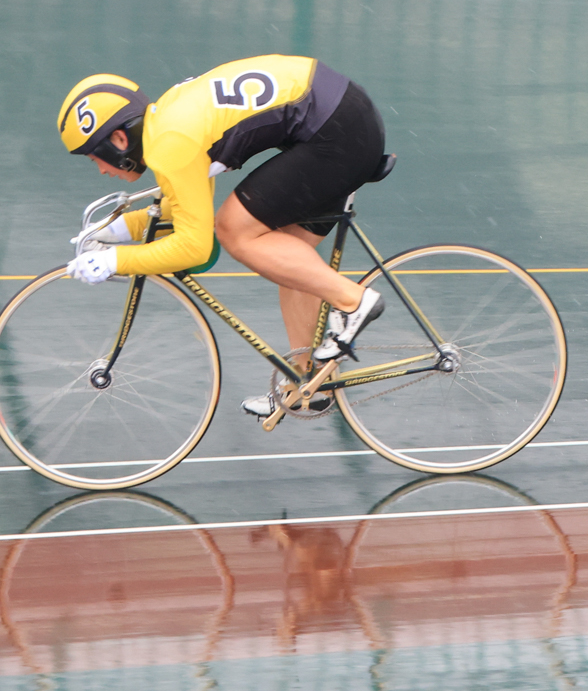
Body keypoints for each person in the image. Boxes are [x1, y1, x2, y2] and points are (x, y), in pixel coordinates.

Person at [55, 56, 387, 419]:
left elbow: (196, 247)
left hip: (334, 127)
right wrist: (113, 231)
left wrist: (112, 261)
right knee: (287, 259)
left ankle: (353, 302)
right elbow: (181, 207)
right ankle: (308, 383)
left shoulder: (170, 144)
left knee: (235, 230)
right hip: (342, 117)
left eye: (94, 158)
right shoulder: (165, 125)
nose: (102, 170)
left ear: (118, 139)